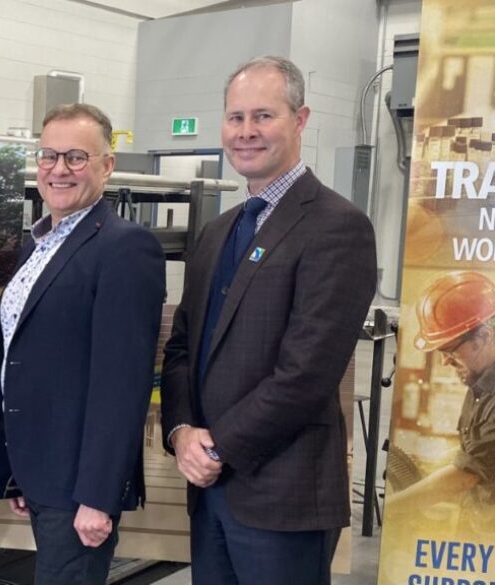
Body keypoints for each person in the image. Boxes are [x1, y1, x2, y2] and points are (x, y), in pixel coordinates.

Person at [160, 55, 377, 585]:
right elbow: (184, 345)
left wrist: (217, 446)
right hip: (211, 492)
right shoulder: (219, 231)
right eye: (235, 118)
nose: (246, 132)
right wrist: (182, 430)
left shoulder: (337, 227)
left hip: (284, 495)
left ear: (300, 120)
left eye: (263, 116)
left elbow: (306, 373)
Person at [0, 103, 166, 585]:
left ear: (107, 165)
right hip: (40, 471)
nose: (59, 169)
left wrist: (98, 495)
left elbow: (122, 384)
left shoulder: (124, 247)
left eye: (76, 157)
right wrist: (15, 466)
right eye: (48, 155)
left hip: (79, 484)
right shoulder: (40, 245)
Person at [386, 271, 495, 519]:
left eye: (449, 350)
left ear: (485, 337)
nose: (445, 361)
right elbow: (479, 452)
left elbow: (463, 478)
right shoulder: (478, 380)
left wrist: (391, 510)